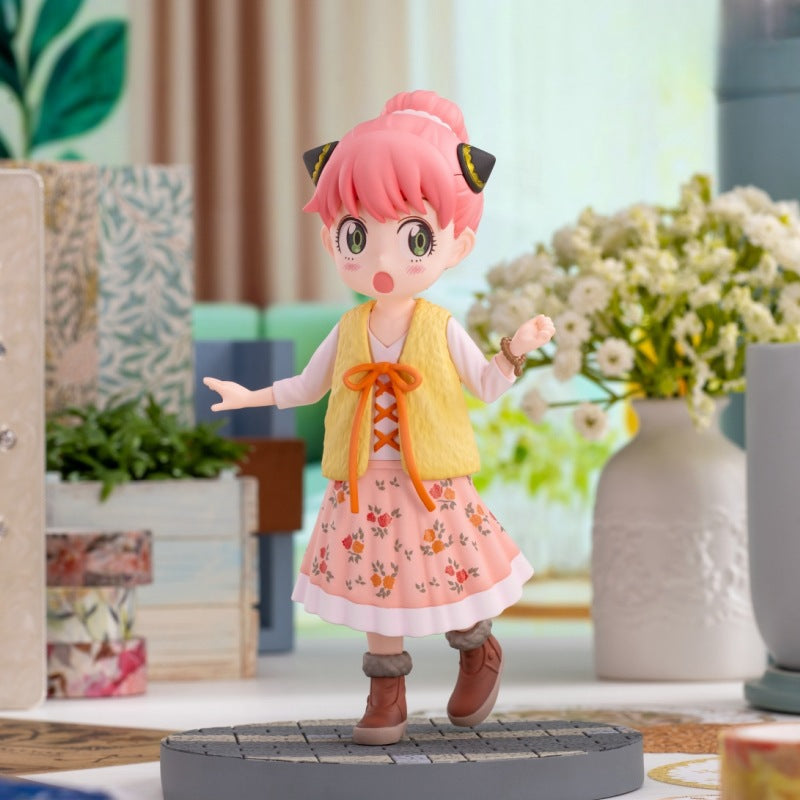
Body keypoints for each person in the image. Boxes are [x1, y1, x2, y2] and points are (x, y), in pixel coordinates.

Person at [204, 90, 555, 746]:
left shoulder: (440, 326)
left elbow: (485, 385)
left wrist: (515, 349)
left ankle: (476, 649)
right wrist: (248, 397)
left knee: (451, 579)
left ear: (457, 243)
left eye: (414, 237)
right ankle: (386, 692)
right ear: (332, 237)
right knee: (377, 588)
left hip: (432, 482)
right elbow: (306, 387)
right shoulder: (348, 328)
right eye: (357, 236)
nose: (384, 262)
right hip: (363, 483)